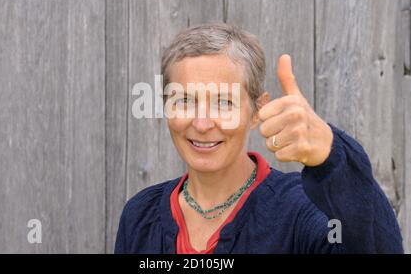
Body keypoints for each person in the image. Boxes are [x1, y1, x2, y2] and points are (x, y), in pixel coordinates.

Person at [114, 23, 403, 253]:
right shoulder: (140, 216)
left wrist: (334, 158)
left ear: (257, 110)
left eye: (223, 103)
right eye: (185, 101)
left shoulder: (302, 212)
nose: (201, 123)